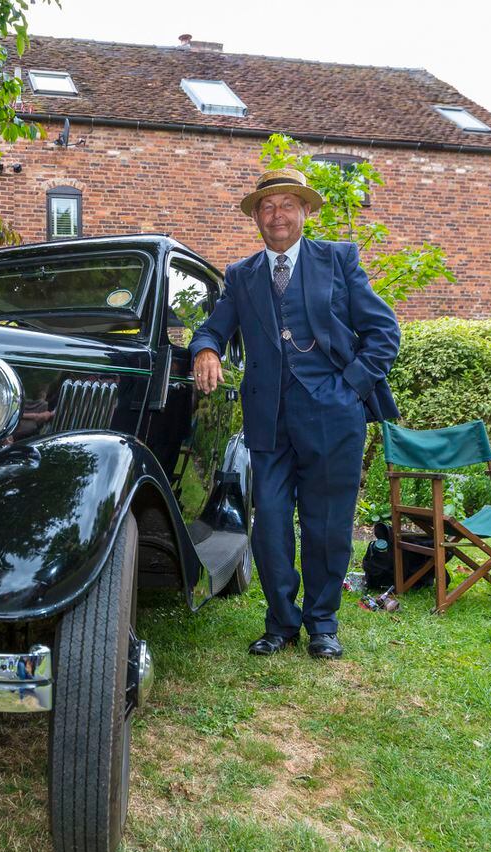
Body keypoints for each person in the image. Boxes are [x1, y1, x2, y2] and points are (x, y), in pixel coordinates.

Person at [189, 168, 401, 659]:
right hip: (268, 419)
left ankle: (322, 623)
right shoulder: (241, 276)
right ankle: (281, 623)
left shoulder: (339, 259)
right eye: (267, 207)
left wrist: (349, 389)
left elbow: (383, 332)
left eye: (287, 204)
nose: (276, 215)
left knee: (328, 524)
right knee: (271, 526)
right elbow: (213, 328)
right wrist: (206, 350)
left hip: (334, 413)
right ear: (257, 217)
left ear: (306, 211)